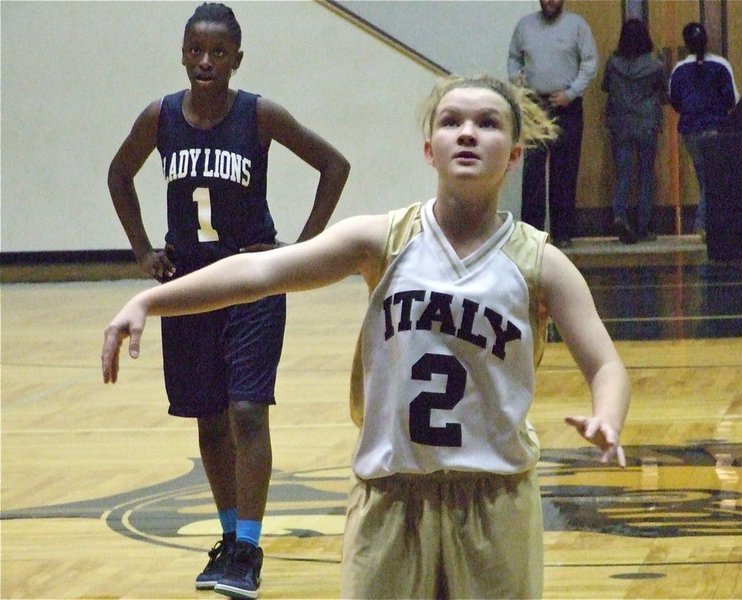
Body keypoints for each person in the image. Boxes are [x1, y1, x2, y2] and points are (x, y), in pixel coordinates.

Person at [103, 74, 630, 599]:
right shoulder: (382, 240)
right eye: (452, 122)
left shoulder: (540, 263)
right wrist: (149, 300)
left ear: (514, 155)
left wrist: (608, 413)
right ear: (430, 148)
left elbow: (605, 365)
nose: (467, 133)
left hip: (495, 498)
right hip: (389, 495)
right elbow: (259, 272)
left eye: (487, 123)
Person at [106, 3, 350, 598]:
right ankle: (226, 539)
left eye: (219, 52)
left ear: (238, 58)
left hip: (251, 280)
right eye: (196, 49)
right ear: (183, 53)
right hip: (188, 285)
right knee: (210, 419)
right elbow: (119, 175)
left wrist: (301, 249)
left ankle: (249, 546)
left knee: (246, 411)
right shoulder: (160, 117)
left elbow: (333, 165)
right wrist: (143, 252)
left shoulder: (258, 114)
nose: (206, 61)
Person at [507, 0, 599, 248]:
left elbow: (590, 62)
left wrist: (572, 93)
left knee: (565, 171)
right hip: (534, 105)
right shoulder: (524, 26)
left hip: (566, 106)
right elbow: (514, 58)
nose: (549, 1)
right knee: (533, 171)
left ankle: (563, 234)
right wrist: (516, 81)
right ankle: (531, 234)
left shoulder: (577, 26)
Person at [669, 21, 738, 242]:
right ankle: (704, 222)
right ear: (706, 41)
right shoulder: (720, 65)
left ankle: (707, 222)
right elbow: (731, 99)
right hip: (715, 127)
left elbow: (676, 102)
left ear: (686, 44)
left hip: (690, 130)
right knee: (713, 178)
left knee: (703, 176)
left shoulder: (679, 70)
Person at [602, 18, 667, 244]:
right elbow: (663, 91)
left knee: (623, 173)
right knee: (646, 174)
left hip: (620, 123)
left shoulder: (613, 63)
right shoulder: (656, 64)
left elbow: (605, 87)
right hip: (647, 123)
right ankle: (644, 226)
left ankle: (619, 215)